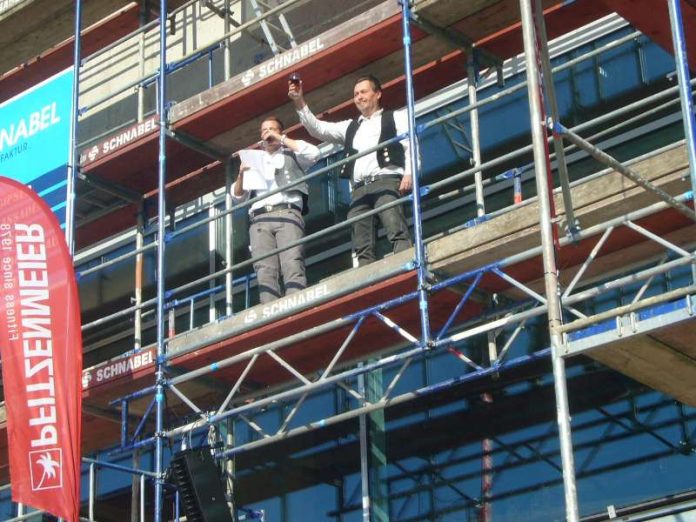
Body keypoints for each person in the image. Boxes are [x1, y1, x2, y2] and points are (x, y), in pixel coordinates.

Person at [290, 74, 413, 266]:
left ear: (378, 94)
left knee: (396, 229)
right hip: (359, 190)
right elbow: (317, 129)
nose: (359, 97)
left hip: (386, 181)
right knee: (362, 243)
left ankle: (407, 266)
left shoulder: (396, 117)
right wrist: (299, 101)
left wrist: (409, 173)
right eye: (356, 94)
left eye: (363, 92)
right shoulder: (350, 126)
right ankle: (368, 281)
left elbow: (409, 144)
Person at [233, 116, 320, 303]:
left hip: (287, 213)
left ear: (280, 132)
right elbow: (238, 197)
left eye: (272, 129)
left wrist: (281, 139)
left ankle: (296, 304)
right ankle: (269, 309)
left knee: (292, 261)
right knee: (264, 269)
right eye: (264, 130)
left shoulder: (291, 154)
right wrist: (241, 175)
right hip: (259, 219)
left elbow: (313, 152)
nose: (268, 133)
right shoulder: (253, 160)